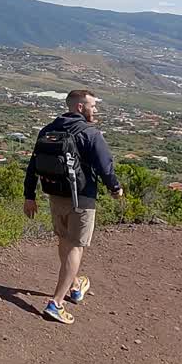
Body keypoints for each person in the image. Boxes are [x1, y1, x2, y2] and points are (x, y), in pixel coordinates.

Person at [23, 89, 124, 324]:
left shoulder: (48, 130)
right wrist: (115, 188)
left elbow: (32, 166)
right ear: (80, 107)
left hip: (54, 195)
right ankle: (56, 303)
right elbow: (105, 167)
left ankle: (76, 285)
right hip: (82, 198)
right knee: (76, 247)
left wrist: (29, 196)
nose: (95, 110)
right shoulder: (90, 133)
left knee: (65, 242)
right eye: (93, 106)